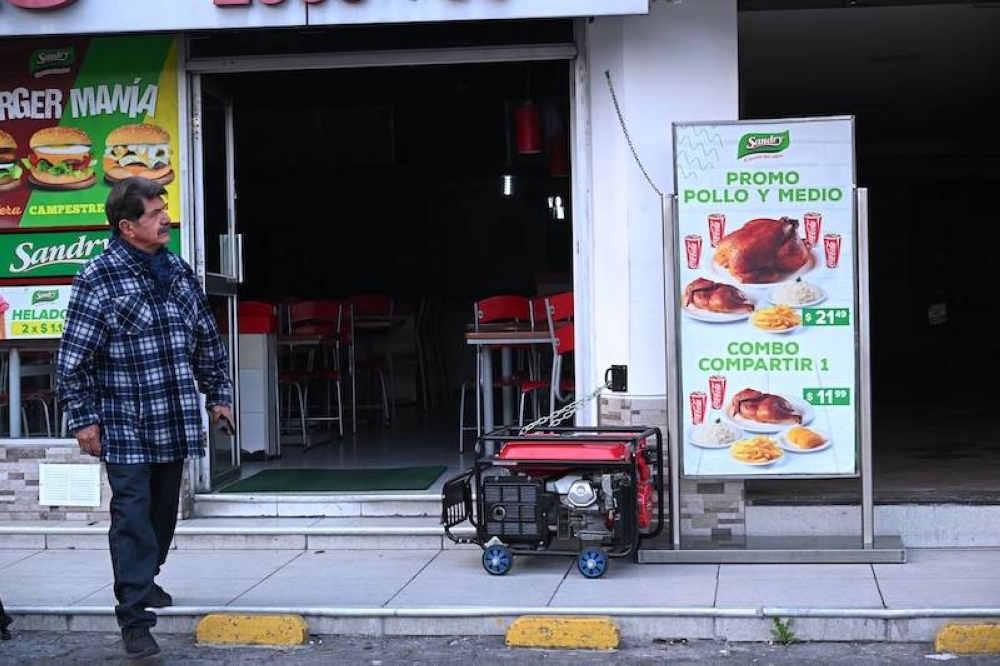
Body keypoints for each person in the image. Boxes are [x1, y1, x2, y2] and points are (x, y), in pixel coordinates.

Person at [56, 176, 234, 660]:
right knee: (132, 515)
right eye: (156, 214)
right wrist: (84, 419)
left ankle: (145, 577)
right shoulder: (98, 276)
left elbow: (204, 336)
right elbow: (74, 358)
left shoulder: (176, 269)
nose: (165, 220)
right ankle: (134, 618)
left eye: (164, 210)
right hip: (125, 420)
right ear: (127, 226)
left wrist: (219, 394)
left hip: (171, 415)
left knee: (161, 514)